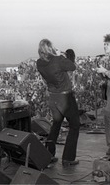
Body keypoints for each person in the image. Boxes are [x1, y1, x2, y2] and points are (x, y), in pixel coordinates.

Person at [36, 39, 80, 167]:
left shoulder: (39, 63)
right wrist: (59, 55)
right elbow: (72, 66)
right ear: (50, 48)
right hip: (65, 98)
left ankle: (48, 155)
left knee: (55, 125)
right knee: (75, 125)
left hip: (53, 98)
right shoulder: (58, 60)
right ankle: (68, 158)